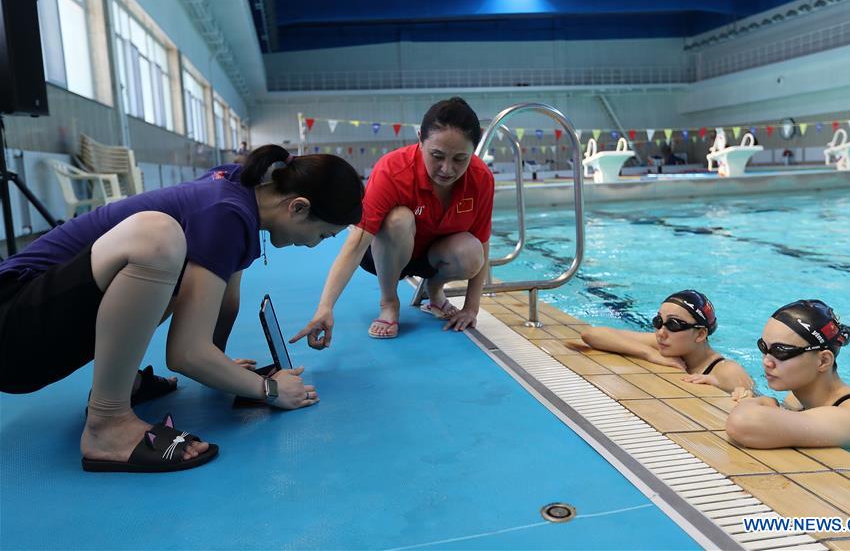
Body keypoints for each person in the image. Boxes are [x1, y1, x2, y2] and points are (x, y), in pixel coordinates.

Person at [0, 145, 363, 473]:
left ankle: (124, 381)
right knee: (158, 237)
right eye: (323, 236)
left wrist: (217, 364)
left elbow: (223, 297)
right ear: (298, 207)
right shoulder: (226, 211)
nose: (315, 246)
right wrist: (268, 390)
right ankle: (107, 425)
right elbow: (185, 354)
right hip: (12, 327)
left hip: (37, 327)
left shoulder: (238, 190)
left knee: (180, 269)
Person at [294, 97, 493, 344]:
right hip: (384, 251)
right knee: (398, 219)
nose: (447, 169)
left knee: (472, 251)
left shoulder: (481, 178)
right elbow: (356, 243)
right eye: (437, 155)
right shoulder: (392, 170)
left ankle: (434, 289)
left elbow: (483, 243)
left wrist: (471, 308)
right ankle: (389, 302)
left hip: (432, 257)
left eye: (460, 159)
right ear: (420, 139)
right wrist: (325, 307)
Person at [726, 300, 850, 472]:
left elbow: (742, 424)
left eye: (781, 351)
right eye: (763, 347)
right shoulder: (797, 398)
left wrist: (764, 402)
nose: (766, 361)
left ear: (823, 361)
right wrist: (751, 398)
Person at [581, 290, 753, 394]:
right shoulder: (668, 345)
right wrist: (650, 354)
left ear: (700, 334)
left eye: (673, 324)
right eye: (658, 321)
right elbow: (592, 334)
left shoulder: (728, 370)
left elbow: (752, 402)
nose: (661, 332)